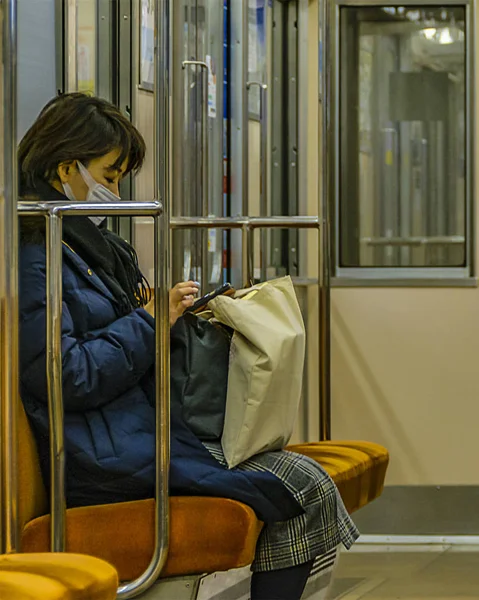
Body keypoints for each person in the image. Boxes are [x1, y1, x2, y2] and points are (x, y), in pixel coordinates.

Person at [18, 93, 358, 600]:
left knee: (304, 479)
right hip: (101, 457)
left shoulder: (92, 248)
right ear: (67, 167)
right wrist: (151, 322)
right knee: (300, 490)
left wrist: (178, 316)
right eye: (109, 176)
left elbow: (127, 332)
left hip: (136, 432)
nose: (114, 191)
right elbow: (68, 376)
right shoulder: (36, 255)